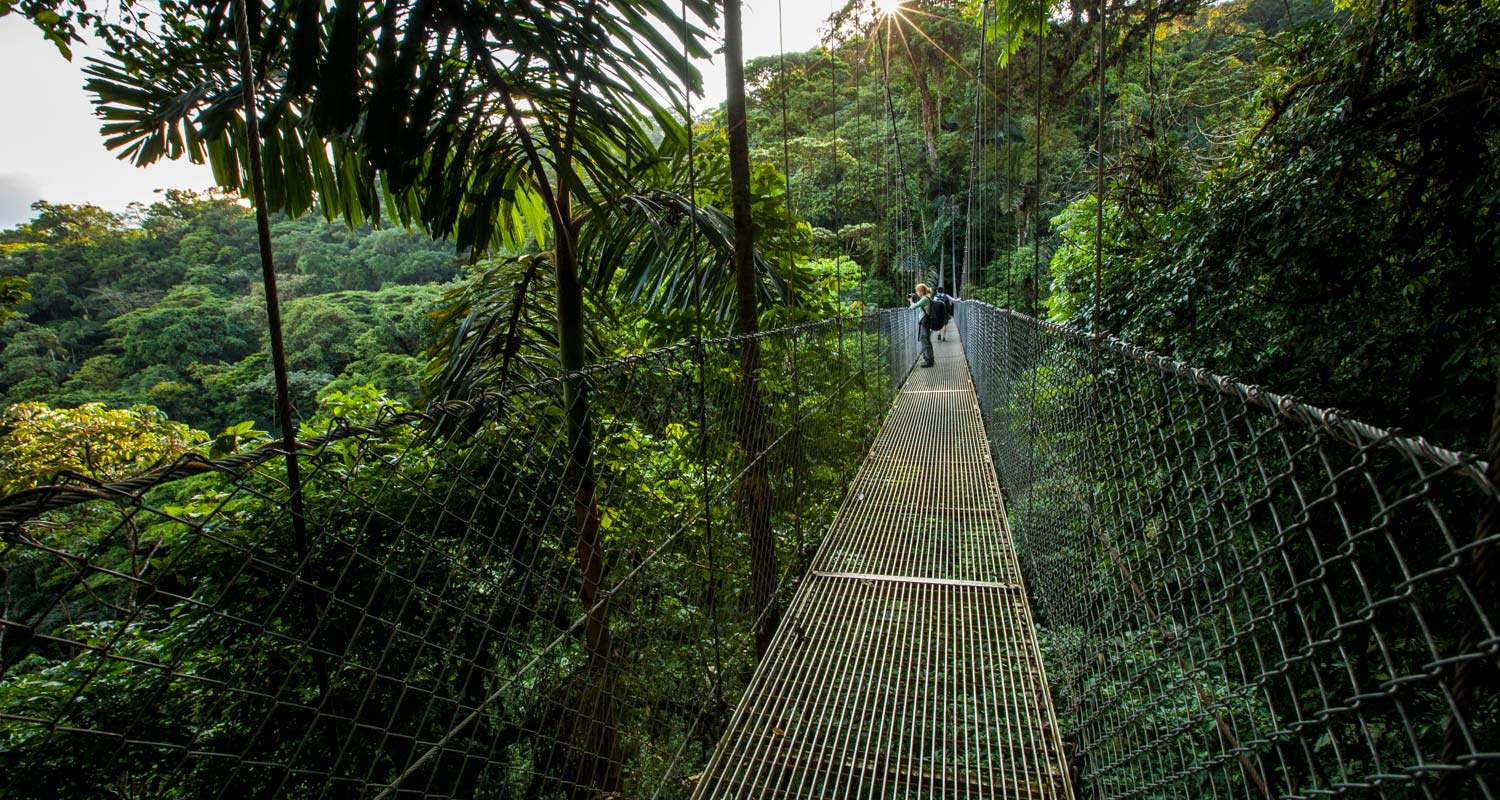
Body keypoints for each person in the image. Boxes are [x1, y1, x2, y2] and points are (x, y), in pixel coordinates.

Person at [907, 282, 935, 367]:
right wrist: (912, 302)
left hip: (924, 322)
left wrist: (911, 301)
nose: (916, 293)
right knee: (926, 340)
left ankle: (928, 361)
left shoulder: (924, 299)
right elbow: (918, 310)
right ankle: (930, 359)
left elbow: (913, 307)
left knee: (925, 340)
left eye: (917, 291)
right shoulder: (925, 298)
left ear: (921, 291)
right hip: (924, 322)